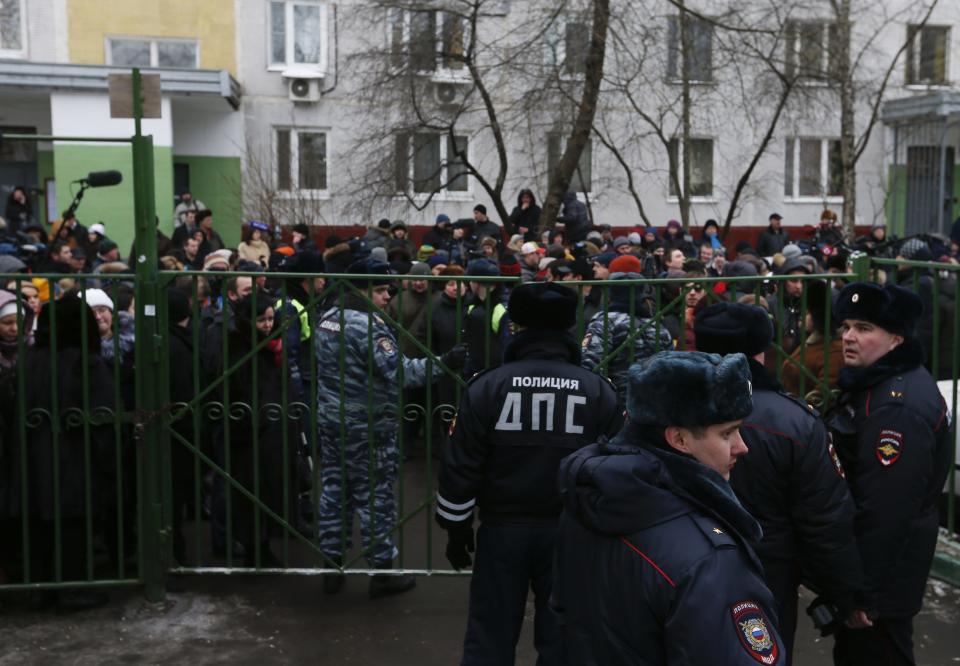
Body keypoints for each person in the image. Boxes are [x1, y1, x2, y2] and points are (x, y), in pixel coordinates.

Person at [552, 351, 786, 665]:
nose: (741, 446)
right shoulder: (709, 558)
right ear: (678, 438)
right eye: (727, 432)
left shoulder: (588, 503)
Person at [436, 282, 621, 665]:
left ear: (516, 327)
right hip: (571, 532)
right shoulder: (597, 390)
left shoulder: (487, 386)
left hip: (502, 531)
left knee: (490, 632)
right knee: (564, 638)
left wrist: (456, 528)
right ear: (570, 329)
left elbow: (461, 464)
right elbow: (617, 468)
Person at [694, 302, 866, 663]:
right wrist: (845, 592)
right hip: (766, 574)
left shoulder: (670, 409)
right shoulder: (795, 422)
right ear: (761, 351)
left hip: (683, 564)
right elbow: (825, 519)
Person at [314, 258, 467, 598]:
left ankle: (331, 563)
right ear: (363, 290)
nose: (387, 296)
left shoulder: (328, 319)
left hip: (332, 420)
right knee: (375, 497)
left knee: (335, 491)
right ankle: (382, 571)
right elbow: (403, 373)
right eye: (381, 290)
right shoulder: (368, 325)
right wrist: (445, 362)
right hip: (369, 425)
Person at [824, 282, 952, 666]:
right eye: (846, 326)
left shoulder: (896, 408)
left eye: (864, 329)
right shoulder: (875, 385)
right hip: (879, 569)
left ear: (896, 339)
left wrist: (863, 592)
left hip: (882, 576)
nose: (848, 337)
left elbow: (887, 509)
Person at [581, 255, 672, 410]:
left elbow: (589, 364)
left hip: (617, 402)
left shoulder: (605, 321)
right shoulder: (657, 325)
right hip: (655, 402)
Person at [780, 279, 842, 406]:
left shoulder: (834, 351)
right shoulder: (812, 341)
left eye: (808, 312)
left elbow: (820, 399)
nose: (802, 315)